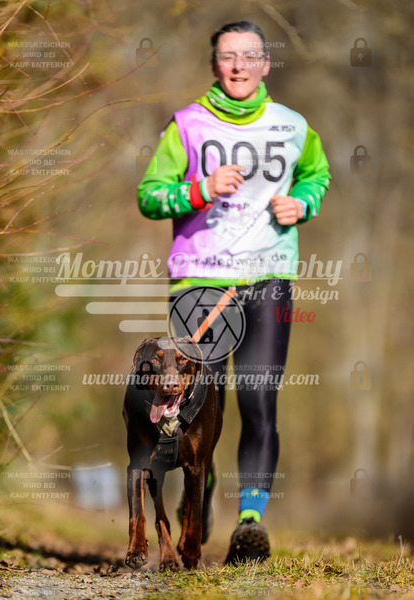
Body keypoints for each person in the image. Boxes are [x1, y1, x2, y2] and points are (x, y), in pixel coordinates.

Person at [137, 20, 331, 563]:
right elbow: (150, 195)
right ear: (215, 65)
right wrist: (200, 188)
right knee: (197, 403)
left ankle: (250, 524)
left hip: (268, 278)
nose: (239, 65)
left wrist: (303, 203)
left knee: (259, 398)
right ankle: (198, 499)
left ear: (266, 64)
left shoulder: (294, 126)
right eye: (229, 56)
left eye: (250, 56)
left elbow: (316, 175)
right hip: (200, 281)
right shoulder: (187, 125)